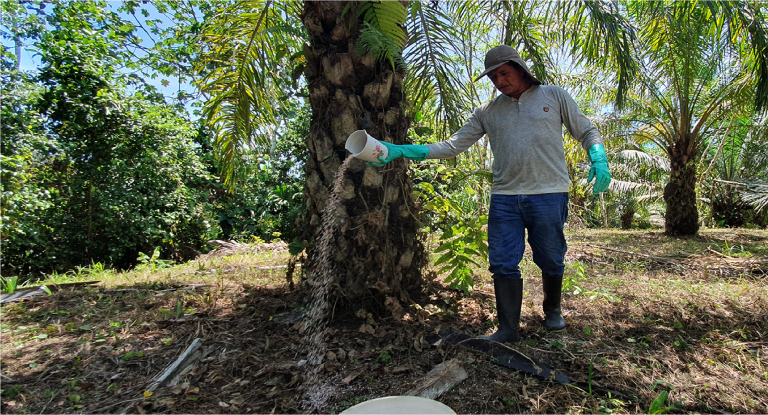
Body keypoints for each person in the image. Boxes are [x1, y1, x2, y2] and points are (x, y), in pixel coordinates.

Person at [369, 45, 611, 343]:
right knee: (502, 262)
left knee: (550, 256)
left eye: (504, 73)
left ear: (520, 70)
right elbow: (452, 145)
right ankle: (508, 328)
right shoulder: (487, 112)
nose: (498, 80)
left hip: (548, 193)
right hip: (505, 197)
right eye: (493, 76)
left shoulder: (553, 95)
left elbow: (586, 131)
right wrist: (402, 150)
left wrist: (598, 157)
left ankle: (553, 309)